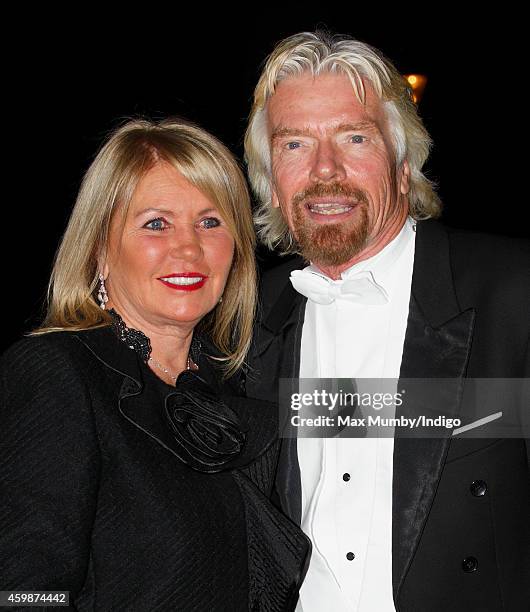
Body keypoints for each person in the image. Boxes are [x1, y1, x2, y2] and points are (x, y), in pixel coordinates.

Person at [243, 31, 530, 612]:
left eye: (354, 137)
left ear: (402, 166)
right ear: (272, 181)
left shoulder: (512, 291)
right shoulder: (246, 321)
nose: (325, 169)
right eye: (295, 144)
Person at [0, 118, 310, 611]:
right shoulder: (60, 373)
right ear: (100, 247)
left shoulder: (238, 382)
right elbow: (27, 589)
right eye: (156, 224)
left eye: (211, 222)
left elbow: (420, 415)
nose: (189, 248)